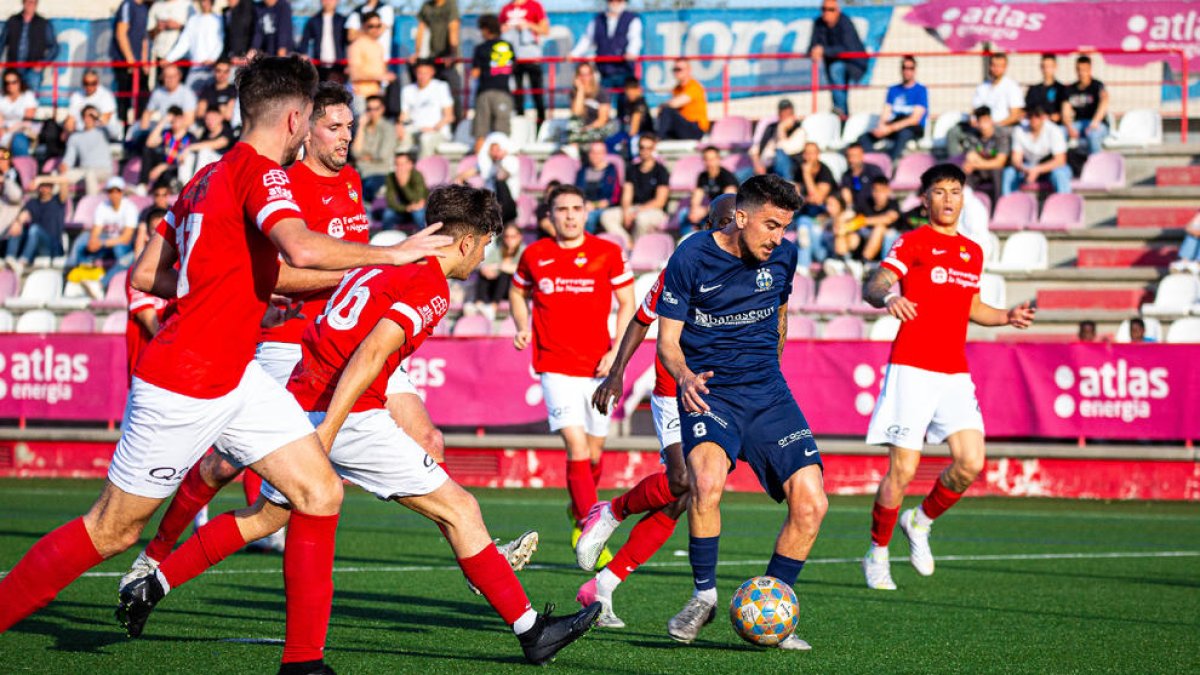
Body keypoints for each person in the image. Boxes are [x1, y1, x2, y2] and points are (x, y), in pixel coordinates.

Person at [0, 55, 447, 670]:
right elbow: (299, 245)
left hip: (234, 374)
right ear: (295, 118)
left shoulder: (206, 175)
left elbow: (144, 273)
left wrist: (235, 288)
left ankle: (303, 663)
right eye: (310, 121)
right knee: (112, 531)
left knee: (318, 491)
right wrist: (392, 255)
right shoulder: (264, 175)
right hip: (184, 380)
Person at [117, 184, 599, 664]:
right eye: (486, 244)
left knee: (266, 518)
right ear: (468, 243)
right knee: (460, 509)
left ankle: (151, 585)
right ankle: (532, 631)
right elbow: (370, 354)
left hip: (303, 396)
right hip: (348, 414)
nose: (483, 256)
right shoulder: (430, 283)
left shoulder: (384, 259)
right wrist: (330, 430)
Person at [115, 80, 454, 585]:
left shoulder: (353, 181)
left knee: (427, 437)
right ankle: (158, 555)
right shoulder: (279, 182)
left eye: (350, 127)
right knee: (225, 467)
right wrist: (368, 267)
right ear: (304, 127)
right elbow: (275, 273)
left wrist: (368, 275)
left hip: (349, 337)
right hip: (288, 341)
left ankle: (476, 552)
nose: (345, 137)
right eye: (333, 127)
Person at [656, 174, 822, 651]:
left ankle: (775, 606)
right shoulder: (691, 256)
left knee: (812, 504)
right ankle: (703, 598)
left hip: (768, 394)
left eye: (785, 227)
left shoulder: (784, 257)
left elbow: (780, 314)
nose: (778, 238)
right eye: (771, 225)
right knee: (705, 482)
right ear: (741, 217)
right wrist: (685, 376)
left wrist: (771, 365)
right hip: (712, 393)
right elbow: (667, 343)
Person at [860, 163, 1036, 592]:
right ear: (925, 199)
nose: (948, 199)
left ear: (963, 198)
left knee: (971, 461)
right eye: (939, 192)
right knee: (902, 470)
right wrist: (890, 296)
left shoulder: (972, 251)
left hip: (954, 372)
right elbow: (873, 284)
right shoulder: (913, 241)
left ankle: (918, 522)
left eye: (955, 191)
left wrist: (1006, 315)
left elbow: (972, 306)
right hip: (911, 368)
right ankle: (877, 553)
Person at [578, 193, 737, 628]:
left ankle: (604, 586)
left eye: (738, 221)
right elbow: (643, 318)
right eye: (724, 221)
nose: (732, 229)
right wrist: (617, 374)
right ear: (710, 225)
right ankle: (611, 511)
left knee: (687, 496)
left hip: (723, 395)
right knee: (684, 479)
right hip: (674, 388)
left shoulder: (753, 269)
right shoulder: (685, 264)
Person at [510, 184, 636, 565]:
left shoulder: (608, 252)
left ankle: (578, 509)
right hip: (554, 366)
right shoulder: (534, 254)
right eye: (561, 209)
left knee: (595, 453)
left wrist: (616, 351)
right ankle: (590, 531)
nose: (568, 215)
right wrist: (522, 324)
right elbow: (518, 293)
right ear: (549, 215)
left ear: (586, 212)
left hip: (599, 367)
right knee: (577, 448)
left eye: (576, 208)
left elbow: (628, 302)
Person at [947, 53, 1024, 156]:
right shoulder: (982, 87)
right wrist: (973, 120)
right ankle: (954, 166)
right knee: (953, 132)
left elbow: (1015, 116)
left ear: (1005, 67)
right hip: (981, 126)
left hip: (1000, 127)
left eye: (999, 66)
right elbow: (974, 111)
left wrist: (994, 124)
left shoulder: (1012, 87)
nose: (995, 69)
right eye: (993, 65)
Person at [600, 131, 669, 245]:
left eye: (649, 148)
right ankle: (628, 243)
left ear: (653, 149)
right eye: (642, 147)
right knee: (607, 216)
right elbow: (627, 194)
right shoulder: (632, 169)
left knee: (642, 219)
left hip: (654, 211)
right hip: (634, 208)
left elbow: (660, 201)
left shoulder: (661, 171)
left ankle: (638, 247)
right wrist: (627, 211)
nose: (645, 151)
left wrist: (637, 211)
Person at [570, 0, 642, 96]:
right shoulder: (598, 20)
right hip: (603, 71)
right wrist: (574, 54)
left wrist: (632, 52)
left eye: (619, 0)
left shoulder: (632, 19)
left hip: (624, 70)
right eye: (612, 0)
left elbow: (635, 39)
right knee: (603, 101)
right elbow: (587, 39)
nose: (615, 3)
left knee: (625, 103)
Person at [807, 0, 866, 117]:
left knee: (836, 70)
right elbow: (812, 46)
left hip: (853, 63)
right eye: (824, 9)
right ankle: (840, 114)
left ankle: (841, 114)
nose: (826, 13)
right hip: (831, 62)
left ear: (837, 10)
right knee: (836, 87)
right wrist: (814, 51)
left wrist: (823, 50)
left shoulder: (845, 23)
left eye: (830, 9)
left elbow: (847, 48)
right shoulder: (818, 24)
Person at [862, 55, 927, 160]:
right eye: (904, 67)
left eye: (910, 68)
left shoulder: (921, 90)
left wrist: (890, 128)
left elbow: (914, 119)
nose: (907, 71)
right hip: (894, 125)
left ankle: (889, 163)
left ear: (915, 70)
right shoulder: (893, 89)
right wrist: (881, 127)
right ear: (901, 69)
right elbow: (885, 112)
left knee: (903, 134)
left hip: (911, 128)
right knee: (864, 138)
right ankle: (876, 160)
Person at [68, 176, 138, 273]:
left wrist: (101, 243)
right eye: (111, 191)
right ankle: (73, 268)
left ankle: (117, 277)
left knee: (119, 248)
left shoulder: (130, 208)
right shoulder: (102, 206)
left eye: (117, 191)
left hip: (123, 244)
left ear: (122, 192)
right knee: (83, 238)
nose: (114, 194)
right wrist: (93, 241)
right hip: (107, 240)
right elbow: (96, 230)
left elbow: (126, 238)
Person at [1003, 104, 1072, 195]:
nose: (1034, 119)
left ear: (1043, 117)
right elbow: (1016, 159)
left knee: (1060, 174)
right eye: (1031, 116)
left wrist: (1037, 170)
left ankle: (1064, 205)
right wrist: (1024, 169)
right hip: (1028, 166)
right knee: (1009, 172)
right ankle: (1007, 205)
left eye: (1037, 116)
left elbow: (1060, 160)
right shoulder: (1019, 130)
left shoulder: (1055, 130)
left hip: (1050, 167)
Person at [470, 14, 515, 154]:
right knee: (502, 134)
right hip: (503, 92)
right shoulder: (508, 46)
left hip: (484, 92)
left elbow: (475, 73)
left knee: (480, 133)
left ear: (486, 29)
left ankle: (479, 163)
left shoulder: (481, 48)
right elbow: (513, 67)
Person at [500, 0, 549, 126]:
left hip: (531, 57)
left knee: (537, 91)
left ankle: (541, 122)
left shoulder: (535, 6)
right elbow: (498, 32)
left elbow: (545, 30)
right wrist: (504, 29)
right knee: (516, 92)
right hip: (513, 58)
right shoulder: (506, 8)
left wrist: (528, 25)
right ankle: (519, 122)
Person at [415, 0, 463, 123]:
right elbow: (420, 29)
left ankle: (456, 123)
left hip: (449, 56)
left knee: (453, 91)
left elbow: (453, 28)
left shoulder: (450, 5)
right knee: (430, 88)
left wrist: (453, 54)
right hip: (433, 56)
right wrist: (417, 52)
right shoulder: (426, 6)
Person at [4, 177, 64, 274]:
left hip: (53, 246)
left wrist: (40, 179)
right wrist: (17, 223)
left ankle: (23, 262)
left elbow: (64, 181)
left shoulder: (58, 200)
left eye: (47, 186)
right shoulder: (33, 202)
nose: (44, 189)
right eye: (41, 186)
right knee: (16, 226)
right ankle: (9, 258)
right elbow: (24, 215)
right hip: (37, 246)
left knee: (34, 229)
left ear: (52, 187)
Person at [456, 132, 520, 224]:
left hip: (508, 205)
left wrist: (499, 161)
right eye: (492, 150)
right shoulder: (485, 163)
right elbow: (463, 176)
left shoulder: (511, 161)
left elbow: (501, 176)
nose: (495, 152)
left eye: (498, 149)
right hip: (492, 204)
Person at [399, 59, 454, 159]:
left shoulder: (441, 87)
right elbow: (404, 115)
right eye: (420, 73)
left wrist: (433, 128)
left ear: (432, 72)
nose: (422, 76)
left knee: (425, 139)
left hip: (437, 132)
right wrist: (399, 127)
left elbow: (449, 116)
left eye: (426, 73)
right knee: (398, 139)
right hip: (415, 130)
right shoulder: (407, 90)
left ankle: (421, 172)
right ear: (415, 73)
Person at [164, 0, 224, 90]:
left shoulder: (219, 19)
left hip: (213, 69)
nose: (204, 4)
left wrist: (212, 58)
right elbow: (184, 43)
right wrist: (169, 58)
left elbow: (221, 41)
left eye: (207, 1)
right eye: (203, 1)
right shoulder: (193, 20)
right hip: (195, 69)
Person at [0, 0, 58, 93]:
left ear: (36, 4)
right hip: (12, 69)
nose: (30, 5)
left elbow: (54, 48)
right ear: (23, 2)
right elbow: (1, 43)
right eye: (28, 2)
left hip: (32, 71)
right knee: (8, 100)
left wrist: (42, 63)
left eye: (33, 2)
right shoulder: (12, 21)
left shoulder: (43, 23)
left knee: (30, 100)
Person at [55, 105, 114, 196]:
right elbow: (69, 158)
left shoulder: (103, 131)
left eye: (92, 116)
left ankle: (91, 205)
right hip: (83, 170)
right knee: (57, 175)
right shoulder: (75, 137)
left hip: (103, 170)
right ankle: (54, 206)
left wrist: (99, 117)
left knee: (90, 174)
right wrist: (64, 165)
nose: (89, 118)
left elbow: (116, 132)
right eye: (87, 116)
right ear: (83, 118)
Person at [473, 221, 524, 318]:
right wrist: (487, 270)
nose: (509, 240)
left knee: (504, 274)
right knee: (483, 273)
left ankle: (493, 307)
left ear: (520, 237)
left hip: (515, 290)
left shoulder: (524, 251)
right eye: (507, 236)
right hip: (496, 287)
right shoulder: (499, 250)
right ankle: (479, 303)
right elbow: (485, 265)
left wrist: (499, 267)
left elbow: (523, 270)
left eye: (513, 236)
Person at [681, 146, 737, 234]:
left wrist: (704, 211)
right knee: (684, 213)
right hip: (713, 210)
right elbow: (697, 196)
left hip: (727, 213)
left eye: (713, 159)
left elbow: (728, 203)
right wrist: (694, 210)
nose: (709, 163)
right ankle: (688, 239)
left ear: (719, 159)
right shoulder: (703, 176)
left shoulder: (727, 177)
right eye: (706, 159)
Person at [111, 0, 151, 126]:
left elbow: (144, 38)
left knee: (143, 95)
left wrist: (144, 61)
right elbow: (121, 33)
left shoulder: (144, 8)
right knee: (124, 97)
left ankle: (138, 126)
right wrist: (130, 60)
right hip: (124, 63)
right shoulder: (127, 5)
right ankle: (123, 128)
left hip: (138, 64)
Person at [960, 107, 1008, 205]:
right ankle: (966, 205)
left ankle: (997, 207)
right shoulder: (973, 135)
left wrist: (977, 164)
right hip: (980, 170)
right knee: (965, 171)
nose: (983, 125)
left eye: (985, 121)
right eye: (980, 122)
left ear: (991, 120)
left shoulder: (1001, 135)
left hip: (995, 170)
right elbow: (971, 157)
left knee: (997, 172)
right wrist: (976, 164)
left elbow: (1000, 162)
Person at [351, 95, 396, 201]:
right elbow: (355, 152)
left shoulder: (388, 127)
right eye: (369, 109)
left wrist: (364, 157)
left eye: (376, 109)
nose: (372, 112)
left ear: (382, 109)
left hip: (379, 172)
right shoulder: (363, 127)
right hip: (360, 171)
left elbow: (383, 155)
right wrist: (361, 126)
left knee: (364, 191)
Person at [348, 11, 395, 109]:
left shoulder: (379, 46)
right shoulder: (356, 46)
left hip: (377, 97)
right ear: (363, 26)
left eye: (378, 25)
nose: (375, 29)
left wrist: (387, 76)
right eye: (371, 26)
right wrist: (381, 76)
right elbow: (355, 74)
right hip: (361, 96)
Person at [1064, 55, 1109, 156]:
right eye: (1079, 69)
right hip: (1079, 123)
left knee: (1093, 135)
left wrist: (1095, 122)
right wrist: (1069, 127)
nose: (1081, 73)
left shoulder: (1097, 86)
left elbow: (1104, 103)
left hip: (1097, 124)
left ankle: (1096, 165)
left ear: (1090, 69)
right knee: (1060, 132)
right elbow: (1065, 110)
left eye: (1084, 70)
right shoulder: (1070, 89)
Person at [655, 59, 708, 141]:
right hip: (683, 127)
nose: (676, 72)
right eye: (674, 70)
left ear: (688, 70)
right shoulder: (677, 88)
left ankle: (659, 138)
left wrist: (662, 106)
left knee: (667, 110)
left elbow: (674, 103)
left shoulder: (694, 86)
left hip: (695, 128)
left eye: (679, 69)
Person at [750, 99, 805, 179]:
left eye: (788, 114)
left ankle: (785, 188)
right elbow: (755, 150)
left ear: (793, 115)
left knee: (780, 155)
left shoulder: (799, 131)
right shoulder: (771, 128)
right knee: (741, 175)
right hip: (764, 166)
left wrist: (782, 129)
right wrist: (758, 164)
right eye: (782, 114)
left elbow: (785, 150)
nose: (785, 117)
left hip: (787, 167)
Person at [140, 64, 198, 136]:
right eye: (167, 76)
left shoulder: (187, 94)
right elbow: (147, 113)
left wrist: (173, 133)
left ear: (179, 76)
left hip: (182, 132)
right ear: (162, 78)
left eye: (173, 76)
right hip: (162, 130)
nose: (170, 79)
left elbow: (189, 120)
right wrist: (144, 132)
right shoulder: (157, 93)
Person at [568, 62, 617, 146]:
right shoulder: (574, 93)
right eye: (581, 75)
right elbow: (576, 115)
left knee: (577, 138)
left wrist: (586, 130)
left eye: (587, 75)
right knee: (574, 131)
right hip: (581, 130)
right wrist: (580, 91)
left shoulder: (601, 92)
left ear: (591, 76)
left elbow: (602, 119)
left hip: (599, 128)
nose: (584, 78)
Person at [575, 141, 620, 234]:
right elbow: (577, 192)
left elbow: (613, 198)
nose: (595, 156)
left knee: (589, 217)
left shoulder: (611, 171)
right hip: (584, 206)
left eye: (598, 153)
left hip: (603, 208)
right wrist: (584, 204)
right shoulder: (582, 171)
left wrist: (594, 205)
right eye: (592, 152)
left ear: (604, 154)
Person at [299, 0, 349, 83]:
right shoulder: (313, 20)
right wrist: (303, 54)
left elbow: (349, 41)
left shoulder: (343, 20)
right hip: (319, 65)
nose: (328, 2)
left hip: (339, 65)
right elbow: (304, 40)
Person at [65, 69, 120, 140]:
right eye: (86, 83)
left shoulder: (106, 95)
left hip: (101, 135)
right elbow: (70, 119)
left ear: (98, 82)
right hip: (81, 134)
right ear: (82, 83)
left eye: (93, 83)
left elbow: (105, 119)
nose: (89, 86)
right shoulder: (76, 96)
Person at [383, 151, 428, 229]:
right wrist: (406, 208)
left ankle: (425, 237)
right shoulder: (391, 177)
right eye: (397, 164)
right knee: (388, 214)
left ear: (410, 164)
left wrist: (403, 185)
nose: (399, 168)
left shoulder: (417, 175)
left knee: (418, 213)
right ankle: (386, 238)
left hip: (420, 208)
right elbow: (390, 202)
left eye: (402, 164)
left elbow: (417, 199)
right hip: (404, 209)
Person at [839, 142, 884, 213]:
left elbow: (883, 192)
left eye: (854, 156)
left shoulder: (874, 171)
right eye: (849, 156)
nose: (851, 160)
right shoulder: (846, 175)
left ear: (862, 155)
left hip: (875, 210)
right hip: (856, 211)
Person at [1025, 53, 1069, 126]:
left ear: (1055, 67)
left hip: (1056, 127)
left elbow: (1065, 112)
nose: (1046, 69)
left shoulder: (1062, 89)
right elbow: (1027, 110)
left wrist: (1058, 116)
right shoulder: (1033, 90)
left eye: (1049, 66)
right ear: (1040, 67)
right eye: (1044, 66)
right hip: (1036, 127)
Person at [0, 69, 35, 156]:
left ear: (19, 82)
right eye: (7, 83)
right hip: (5, 131)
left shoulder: (28, 96)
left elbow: (27, 121)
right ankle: (5, 164)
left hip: (23, 130)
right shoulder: (2, 97)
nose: (10, 85)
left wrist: (8, 130)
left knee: (18, 142)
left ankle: (22, 166)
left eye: (14, 82)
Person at [797, 141, 837, 211]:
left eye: (812, 153)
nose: (809, 156)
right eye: (807, 153)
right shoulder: (799, 170)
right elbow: (795, 192)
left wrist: (807, 174)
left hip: (825, 209)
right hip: (806, 206)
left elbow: (817, 200)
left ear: (818, 154)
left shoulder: (825, 171)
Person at [196, 58, 237, 123]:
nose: (222, 75)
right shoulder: (207, 90)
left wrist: (210, 112)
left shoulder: (233, 90)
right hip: (206, 127)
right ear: (214, 71)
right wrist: (221, 108)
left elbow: (228, 116)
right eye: (219, 71)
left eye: (226, 71)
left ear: (229, 72)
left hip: (227, 128)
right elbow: (200, 113)